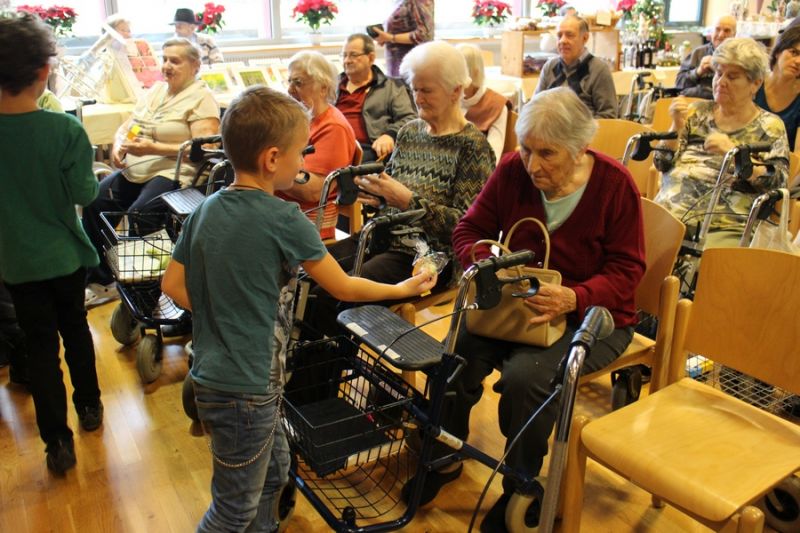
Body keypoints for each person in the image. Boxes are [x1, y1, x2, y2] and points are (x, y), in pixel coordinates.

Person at [160, 86, 436, 532]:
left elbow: (172, 285)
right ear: (273, 159)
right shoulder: (285, 220)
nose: (304, 165)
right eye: (301, 153)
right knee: (232, 509)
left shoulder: (206, 210)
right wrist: (401, 287)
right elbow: (344, 287)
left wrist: (223, 312)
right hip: (248, 387)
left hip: (220, 377)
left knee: (275, 472)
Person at [403, 87, 646, 530]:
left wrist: (575, 297)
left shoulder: (614, 185)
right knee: (455, 354)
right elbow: (469, 229)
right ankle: (442, 453)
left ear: (579, 148)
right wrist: (486, 266)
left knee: (526, 378)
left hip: (594, 316)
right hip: (516, 309)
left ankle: (521, 484)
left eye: (547, 153)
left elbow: (628, 270)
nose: (532, 165)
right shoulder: (513, 170)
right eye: (527, 149)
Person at [303, 40, 495, 339]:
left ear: (456, 91)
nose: (418, 98)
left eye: (426, 90)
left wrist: (407, 201)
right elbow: (390, 193)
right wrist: (377, 194)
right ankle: (303, 361)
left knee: (331, 297)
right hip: (382, 237)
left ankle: (325, 366)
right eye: (414, 89)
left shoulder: (472, 147)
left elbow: (465, 229)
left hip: (429, 256)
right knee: (306, 276)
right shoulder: (409, 132)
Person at [0, 14, 103, 475]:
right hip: (64, 256)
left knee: (39, 348)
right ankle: (90, 405)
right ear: (44, 70)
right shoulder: (65, 130)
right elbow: (85, 193)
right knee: (76, 330)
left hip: (17, 261)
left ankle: (57, 441)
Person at [81, 37, 220, 307]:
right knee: (94, 201)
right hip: (139, 167)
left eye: (175, 61)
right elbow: (133, 124)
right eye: (164, 59)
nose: (167, 66)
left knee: (141, 213)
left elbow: (204, 149)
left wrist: (152, 148)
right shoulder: (156, 91)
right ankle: (102, 280)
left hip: (176, 172)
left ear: (195, 66)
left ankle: (147, 292)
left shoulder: (201, 99)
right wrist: (119, 143)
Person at [655, 38, 789, 247]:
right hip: (668, 213)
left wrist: (737, 156)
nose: (721, 82)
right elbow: (661, 163)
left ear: (755, 83)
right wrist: (676, 127)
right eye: (718, 73)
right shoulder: (696, 112)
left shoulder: (769, 126)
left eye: (732, 77)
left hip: (725, 224)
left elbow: (778, 182)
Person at [278, 51, 357, 240]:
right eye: (289, 82)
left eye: (298, 83)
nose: (289, 89)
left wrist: (266, 170)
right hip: (282, 211)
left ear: (323, 88)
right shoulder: (303, 119)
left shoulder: (333, 127)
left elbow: (314, 191)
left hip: (305, 222)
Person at [335, 33, 417, 163]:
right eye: (344, 55)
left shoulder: (391, 86)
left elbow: (409, 118)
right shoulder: (331, 86)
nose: (347, 61)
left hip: (369, 151)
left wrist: (390, 135)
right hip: (333, 146)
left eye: (353, 55)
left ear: (371, 58)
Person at [535, 15, 617, 118]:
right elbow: (535, 107)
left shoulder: (599, 69)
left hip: (585, 127)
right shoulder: (550, 67)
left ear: (585, 38)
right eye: (559, 36)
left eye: (569, 35)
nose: (562, 41)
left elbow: (608, 115)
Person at [457, 43, 511, 163]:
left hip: (477, 168)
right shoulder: (447, 99)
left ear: (475, 72)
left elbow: (493, 154)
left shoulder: (496, 105)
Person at [755, 25, 800, 151]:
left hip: (781, 160)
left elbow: (798, 154)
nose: (798, 61)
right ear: (778, 52)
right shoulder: (754, 83)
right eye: (794, 52)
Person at [675, 15, 737, 99]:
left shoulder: (740, 57)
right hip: (693, 102)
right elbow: (679, 84)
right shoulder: (698, 53)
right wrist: (698, 72)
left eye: (727, 31)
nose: (721, 35)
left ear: (734, 35)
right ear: (712, 32)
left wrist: (717, 70)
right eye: (717, 29)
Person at [371, 0, 434, 77]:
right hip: (397, 64)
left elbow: (424, 34)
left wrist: (390, 38)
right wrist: (385, 37)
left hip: (411, 66)